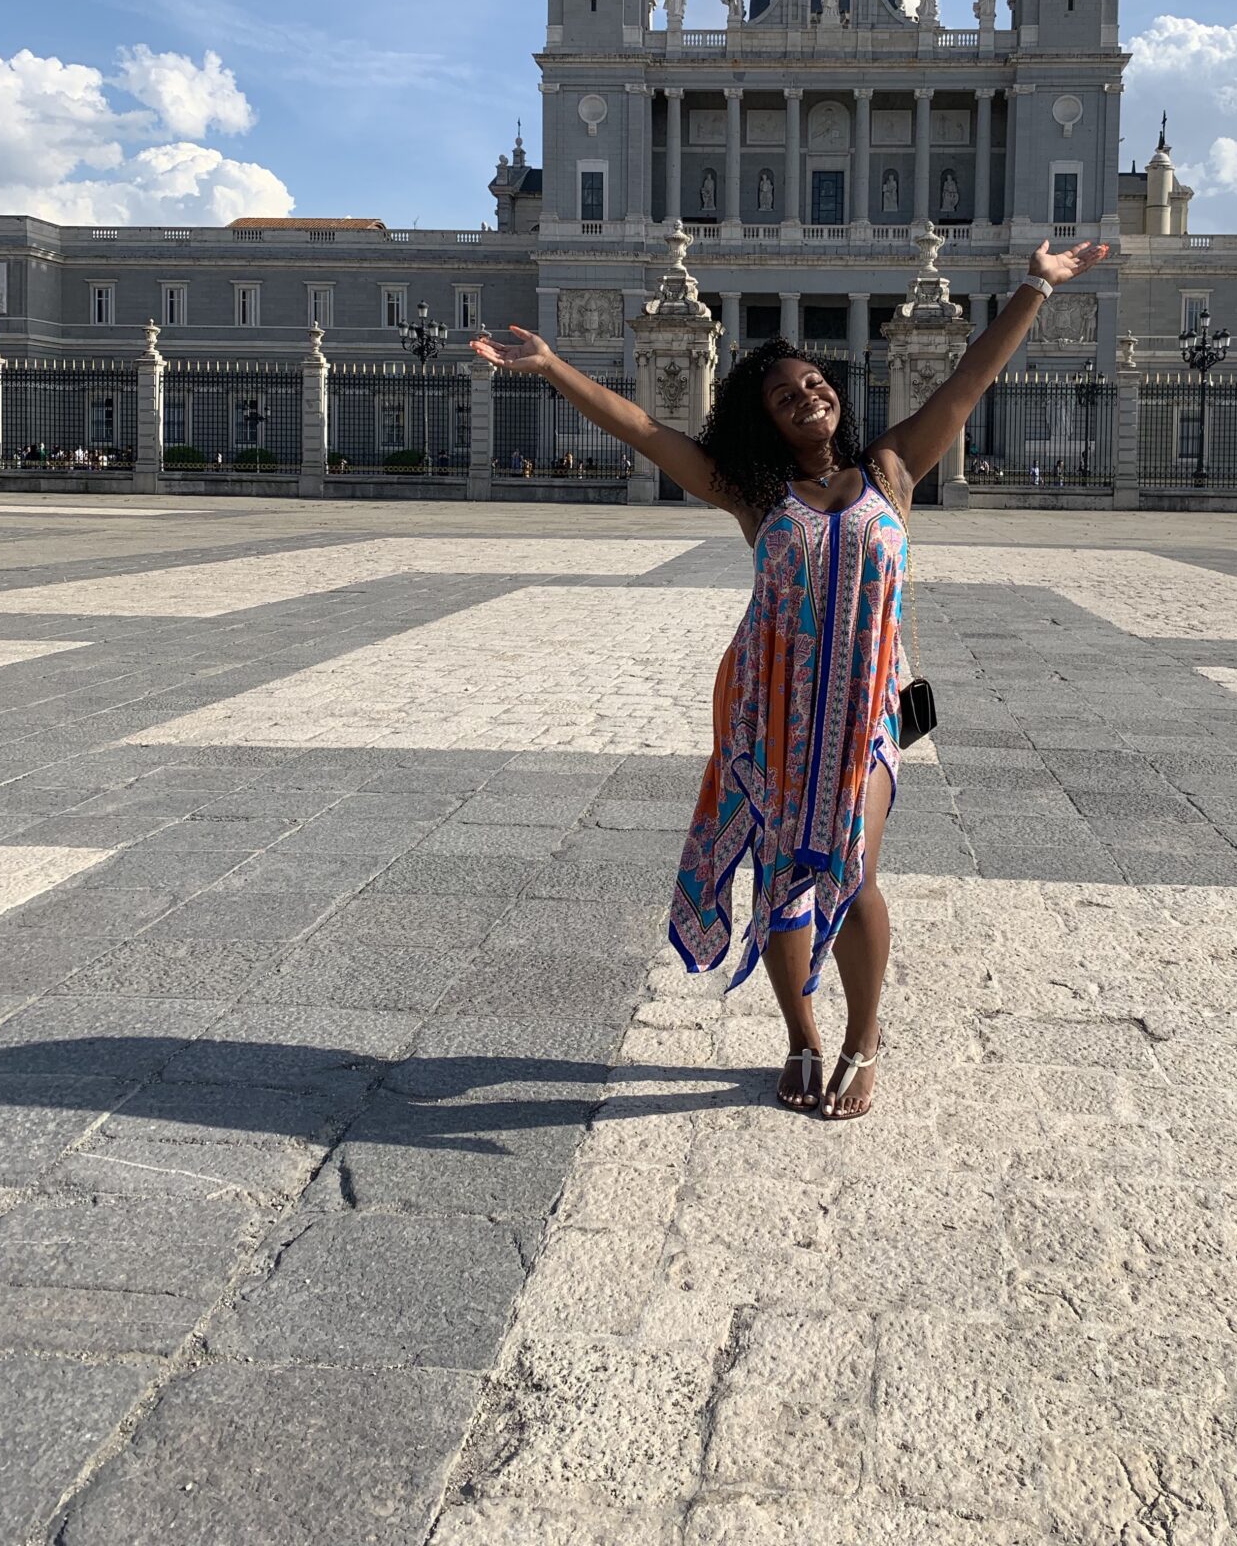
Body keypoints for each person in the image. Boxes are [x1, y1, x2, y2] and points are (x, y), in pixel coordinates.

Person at [470, 235, 1107, 1119]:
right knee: (782, 879)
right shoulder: (754, 496)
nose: (807, 398)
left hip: (866, 716)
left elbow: (968, 380)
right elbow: (646, 427)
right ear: (762, 419)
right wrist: (550, 366)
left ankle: (864, 1039)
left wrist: (1037, 284)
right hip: (771, 717)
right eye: (783, 396)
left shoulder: (891, 468)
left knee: (853, 860)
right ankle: (803, 1036)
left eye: (813, 385)